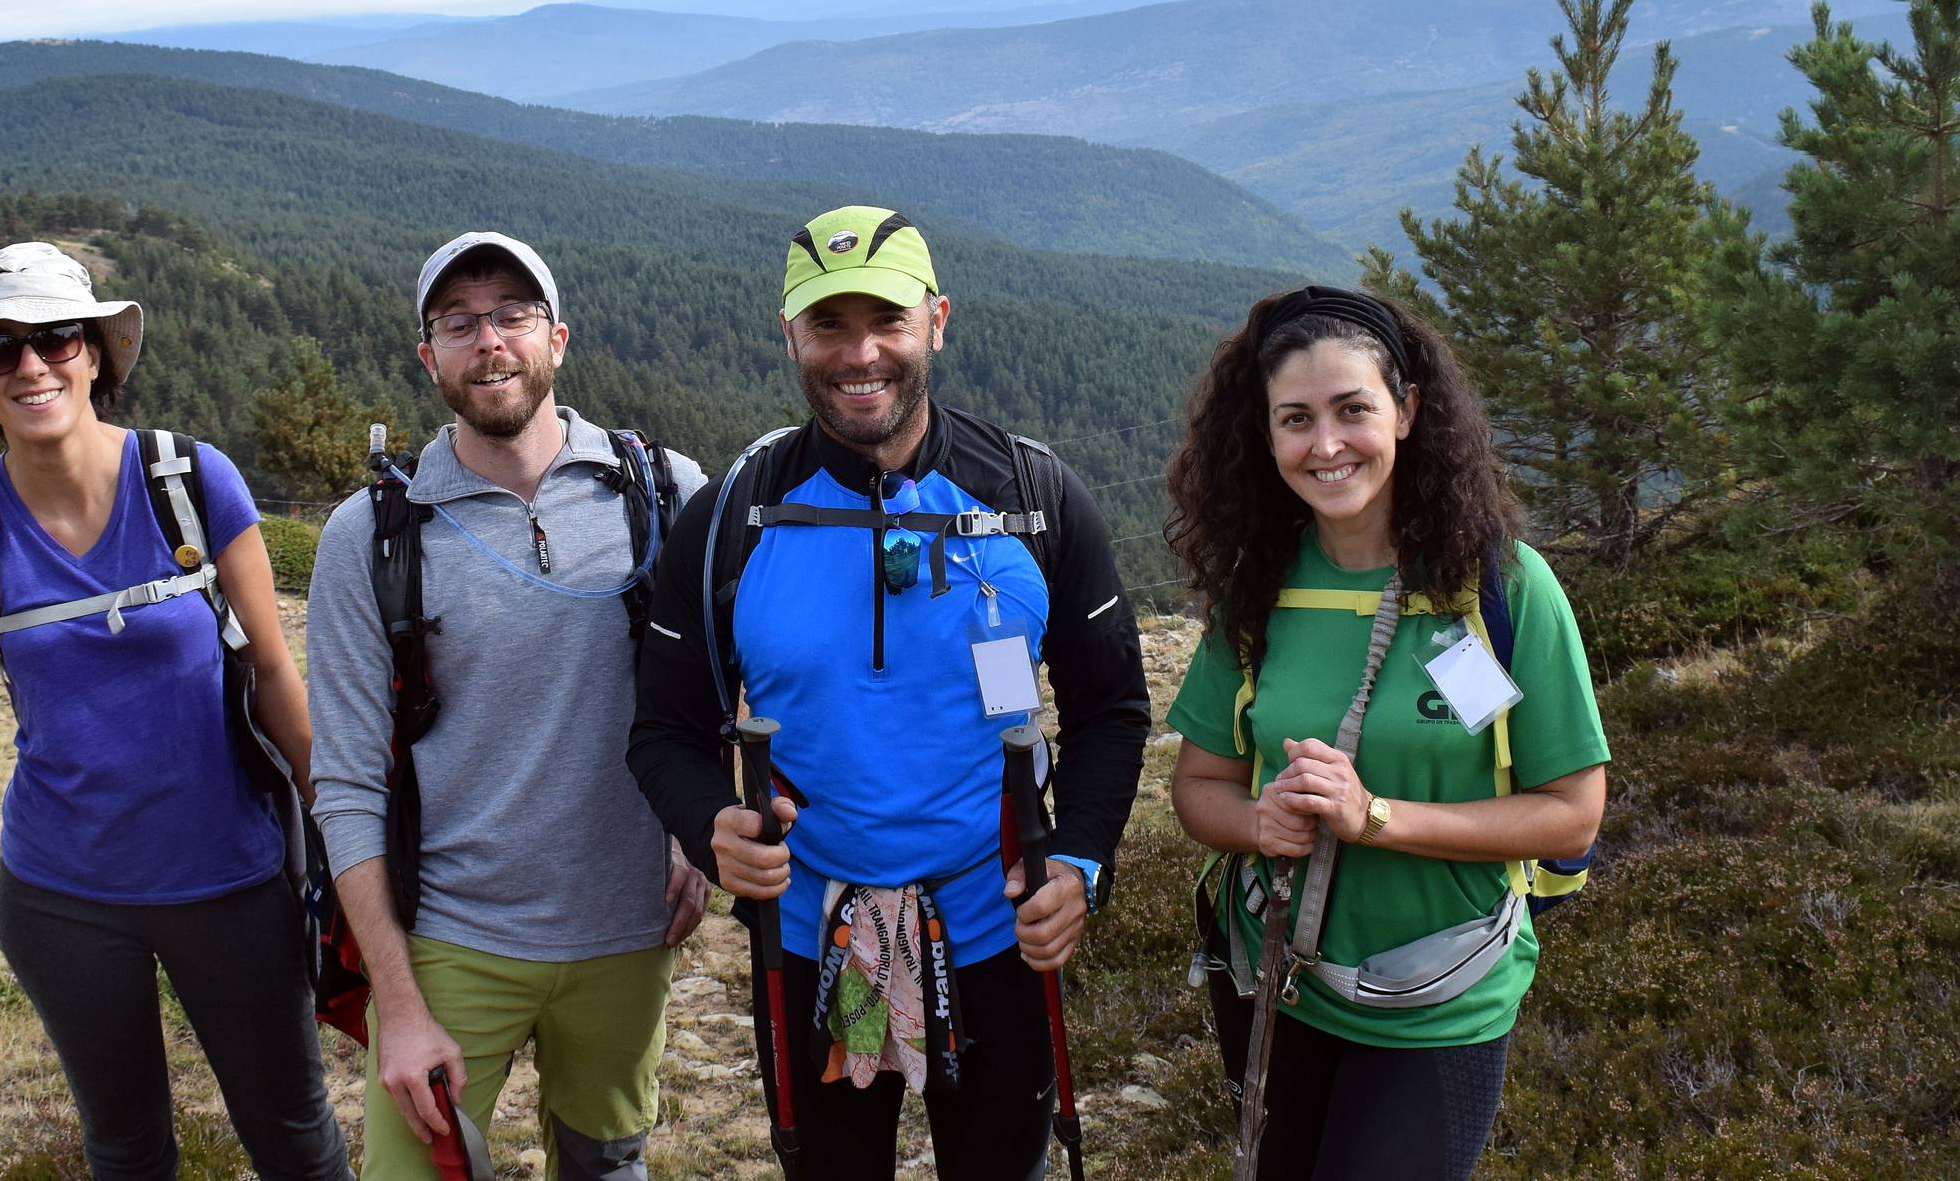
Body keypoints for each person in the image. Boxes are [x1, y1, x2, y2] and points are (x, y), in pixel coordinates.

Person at [627, 206, 1151, 1180]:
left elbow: (1110, 708)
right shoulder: (732, 516)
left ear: (936, 321)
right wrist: (709, 825)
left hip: (997, 935)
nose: (859, 353)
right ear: (789, 333)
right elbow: (662, 729)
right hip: (816, 944)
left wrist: (1078, 860)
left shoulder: (1031, 496)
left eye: (887, 321)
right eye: (828, 324)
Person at [0, 242, 349, 1180]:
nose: (30, 365)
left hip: (233, 878)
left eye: (56, 338)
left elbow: (271, 672)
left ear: (95, 353)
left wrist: (345, 828)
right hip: (61, 895)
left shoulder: (189, 480)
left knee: (293, 1135)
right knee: (126, 1148)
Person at [1163, 284, 1610, 1181]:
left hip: (1439, 1004)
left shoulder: (1501, 588)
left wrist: (1375, 817)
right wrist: (1260, 822)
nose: (1324, 446)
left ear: (1405, 411)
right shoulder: (1258, 591)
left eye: (1351, 410)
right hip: (1275, 987)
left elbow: (1570, 815)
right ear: (1265, 435)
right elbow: (1197, 787)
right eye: (1294, 419)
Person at [308, 231, 709, 1181]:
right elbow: (347, 783)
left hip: (629, 930)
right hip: (450, 943)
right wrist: (396, 1005)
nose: (489, 341)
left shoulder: (662, 493)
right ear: (428, 358)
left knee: (608, 1163)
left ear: (557, 339)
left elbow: (731, 688)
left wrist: (695, 835)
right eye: (458, 322)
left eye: (511, 316)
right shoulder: (370, 536)